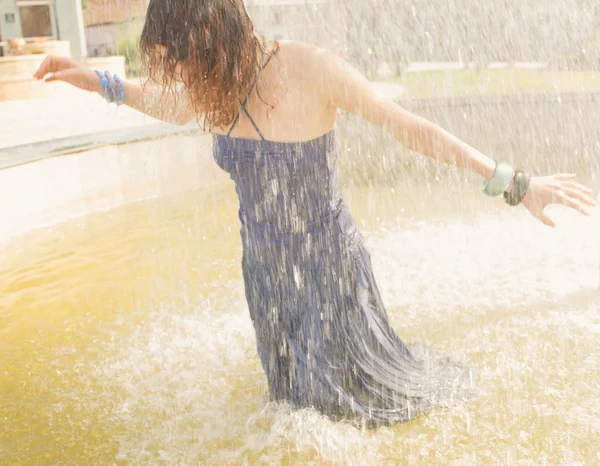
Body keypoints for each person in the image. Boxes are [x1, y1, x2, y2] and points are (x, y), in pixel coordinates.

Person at [34, 0, 595, 427]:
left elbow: (410, 129)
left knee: (344, 417)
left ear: (210, 35)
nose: (179, 75)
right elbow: (160, 100)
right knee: (289, 411)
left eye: (182, 59)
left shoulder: (309, 69)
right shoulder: (214, 89)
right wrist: (89, 79)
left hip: (330, 277)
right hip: (266, 281)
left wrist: (515, 183)